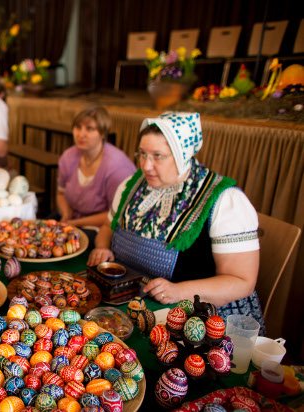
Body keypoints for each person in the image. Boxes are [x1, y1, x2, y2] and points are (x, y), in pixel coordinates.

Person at [88, 112, 264, 332]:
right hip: (133, 301)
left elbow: (242, 281)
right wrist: (102, 246)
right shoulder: (131, 186)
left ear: (182, 155)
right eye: (142, 154)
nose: (146, 166)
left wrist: (179, 291)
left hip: (205, 323)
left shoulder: (225, 201)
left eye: (158, 156)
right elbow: (108, 226)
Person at [56, 106, 136, 228]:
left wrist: (73, 224)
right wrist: (66, 215)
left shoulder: (117, 167)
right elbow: (61, 193)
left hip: (105, 228)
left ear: (103, 133)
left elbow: (116, 214)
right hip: (72, 220)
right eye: (78, 127)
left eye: (89, 129)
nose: (81, 134)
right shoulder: (68, 156)